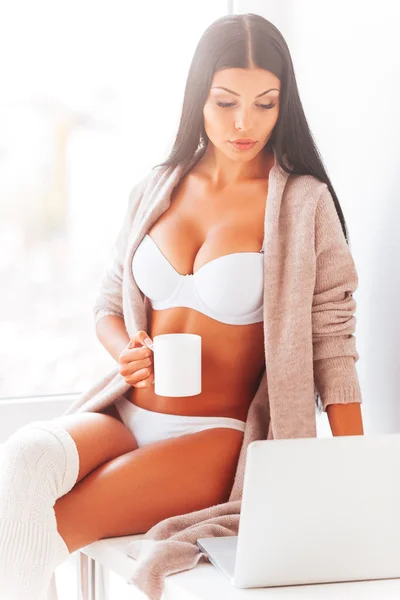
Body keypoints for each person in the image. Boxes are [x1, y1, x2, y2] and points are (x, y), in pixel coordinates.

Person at [0, 13, 363, 600]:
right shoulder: (158, 186)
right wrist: (128, 351)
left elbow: (333, 342)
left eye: (265, 103)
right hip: (125, 418)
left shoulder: (302, 202)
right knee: (25, 458)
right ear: (199, 96)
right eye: (225, 102)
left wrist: (351, 477)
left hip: (214, 436)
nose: (245, 123)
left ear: (283, 104)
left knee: (49, 528)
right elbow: (108, 302)